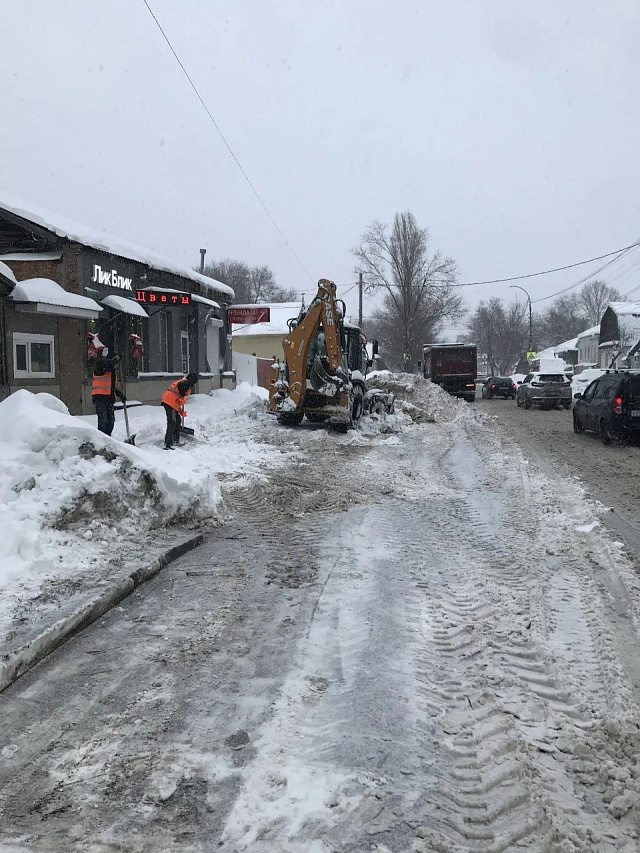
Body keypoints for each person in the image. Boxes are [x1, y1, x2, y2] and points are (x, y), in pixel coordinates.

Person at [92, 349, 126, 436]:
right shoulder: (100, 365)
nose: (115, 366)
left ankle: (108, 438)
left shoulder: (112, 374)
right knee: (103, 420)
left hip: (109, 398)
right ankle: (101, 439)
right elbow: (108, 367)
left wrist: (120, 395)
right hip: (99, 397)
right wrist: (115, 359)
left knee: (110, 421)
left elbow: (112, 388)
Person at [161, 372, 199, 450]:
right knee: (172, 422)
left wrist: (181, 411)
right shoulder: (185, 383)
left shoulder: (184, 382)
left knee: (177, 420)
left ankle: (175, 440)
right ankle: (167, 444)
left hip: (171, 402)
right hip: (169, 402)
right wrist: (182, 397)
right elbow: (180, 393)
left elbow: (177, 399)